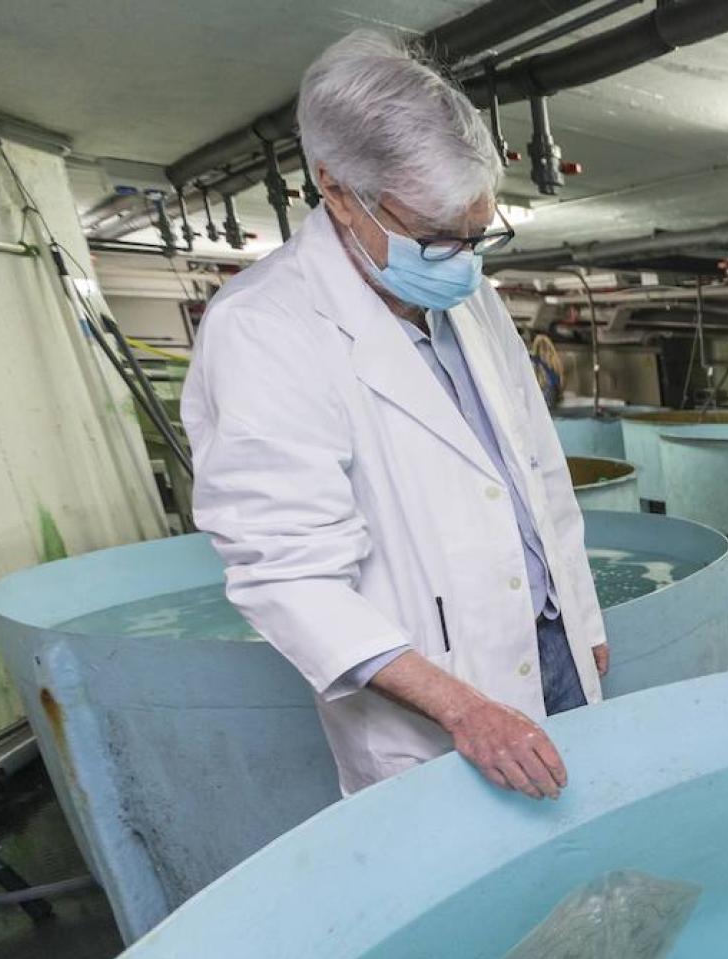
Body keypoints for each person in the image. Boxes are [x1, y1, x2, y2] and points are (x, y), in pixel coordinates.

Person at [182, 31, 606, 799]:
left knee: (586, 856)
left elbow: (536, 470)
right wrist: (465, 709)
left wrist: (579, 616)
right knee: (482, 900)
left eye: (478, 234)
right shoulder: (263, 328)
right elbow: (288, 575)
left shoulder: (472, 297)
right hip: (438, 700)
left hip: (552, 645)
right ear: (336, 190)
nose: (463, 261)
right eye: (436, 237)